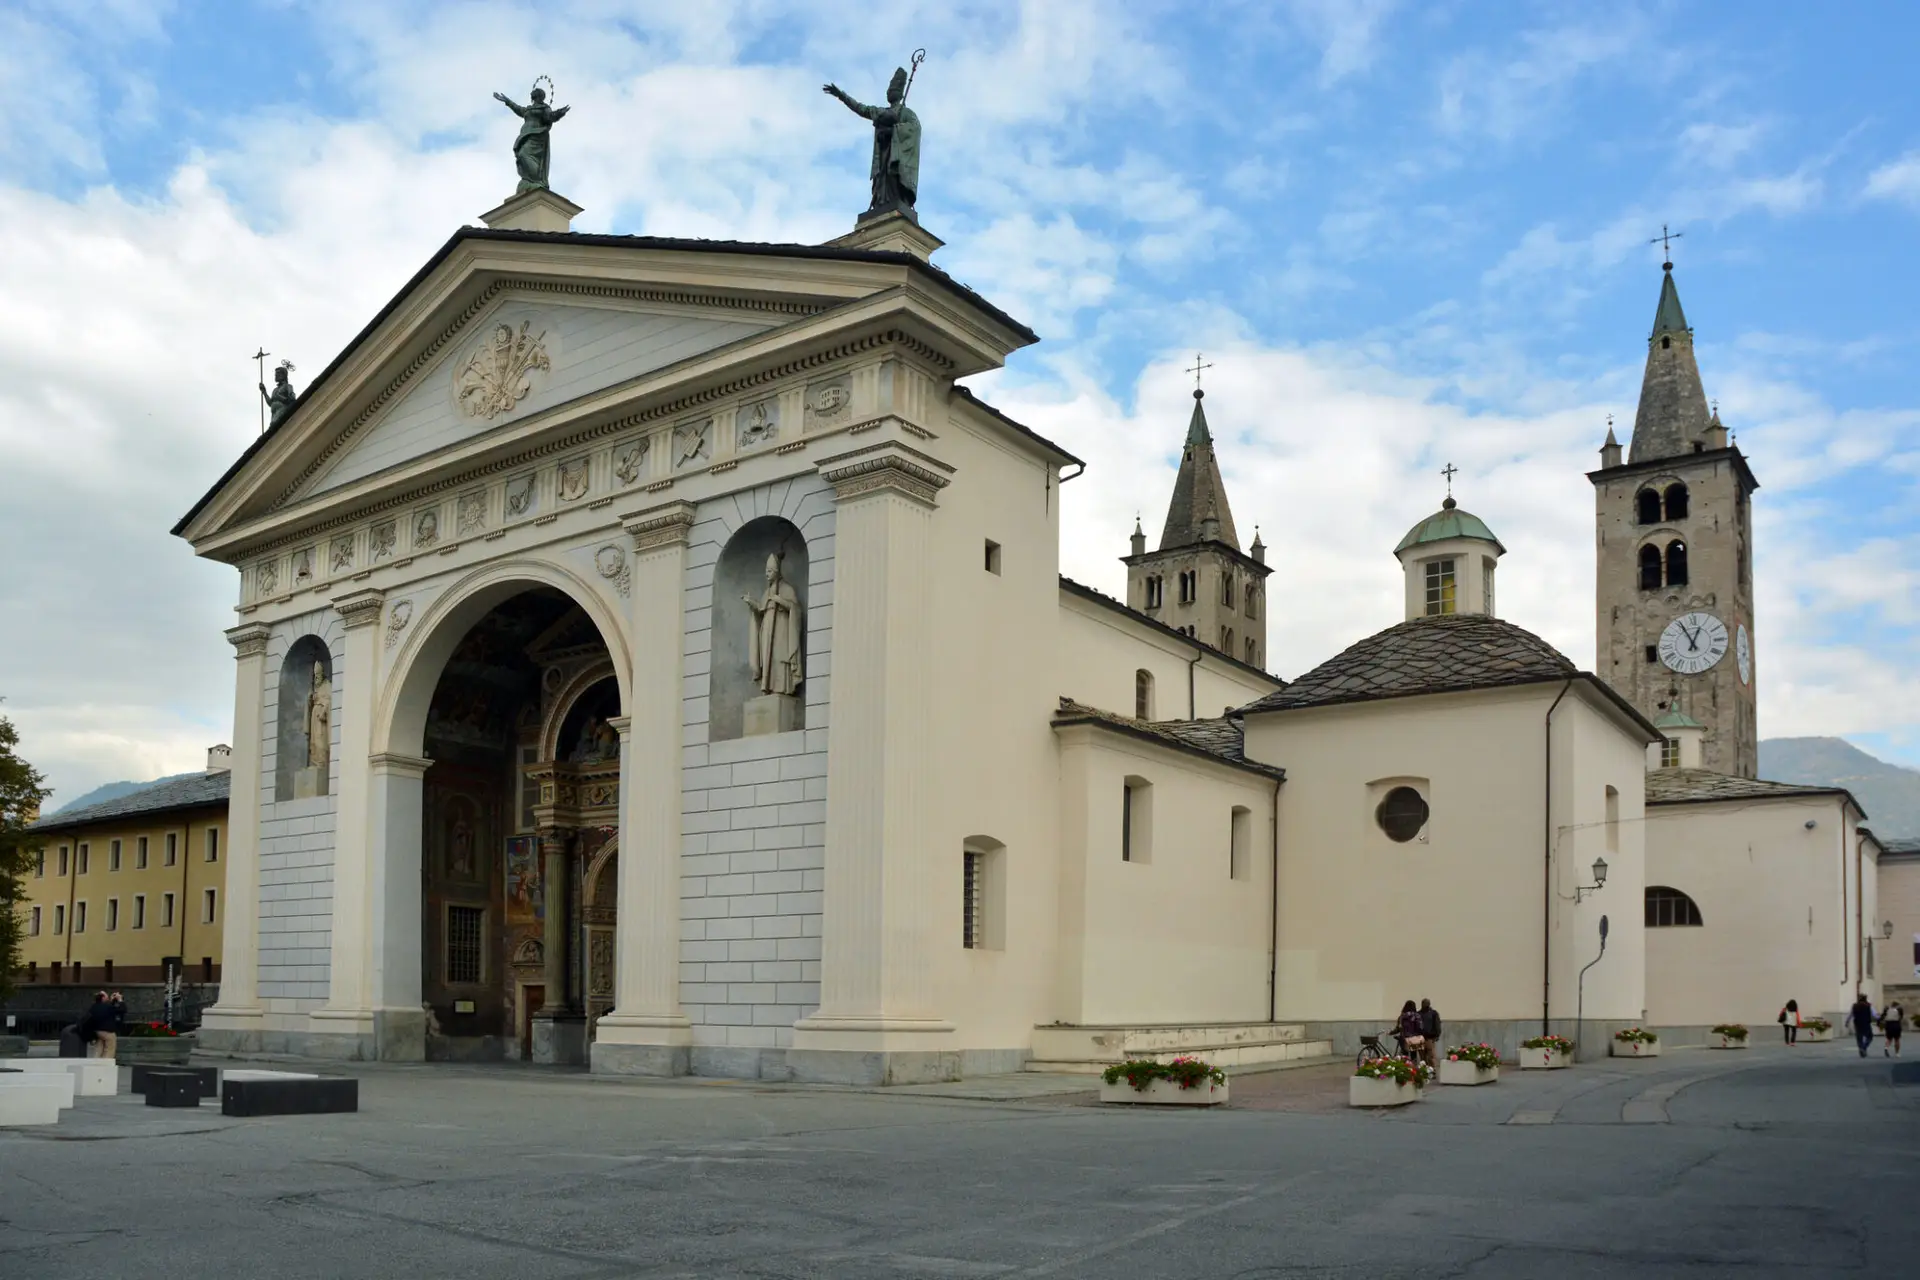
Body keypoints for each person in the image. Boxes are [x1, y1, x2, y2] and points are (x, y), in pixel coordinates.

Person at [77, 990, 113, 1058]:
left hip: (97, 1032)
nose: (107, 997)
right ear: (103, 998)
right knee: (110, 1048)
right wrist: (119, 1000)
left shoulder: (94, 1007)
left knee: (99, 1048)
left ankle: (96, 1061)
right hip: (107, 1031)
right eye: (106, 996)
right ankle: (106, 1063)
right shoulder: (106, 1007)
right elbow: (120, 1009)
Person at [1847, 992, 1877, 1058]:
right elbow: (1874, 1014)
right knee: (1870, 1037)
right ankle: (1864, 1047)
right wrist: (1879, 1019)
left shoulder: (1855, 1005)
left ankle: (1861, 1048)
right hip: (1866, 1023)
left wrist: (1847, 1021)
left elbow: (1851, 1014)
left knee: (1859, 1038)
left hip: (1857, 1023)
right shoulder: (1868, 1005)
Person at [1419, 998, 1442, 1069]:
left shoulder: (1433, 1013)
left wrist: (1437, 1035)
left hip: (1430, 1038)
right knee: (1422, 1056)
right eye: (1424, 1003)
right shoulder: (1418, 1013)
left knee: (1431, 1055)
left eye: (1426, 1003)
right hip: (1420, 1037)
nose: (1425, 1004)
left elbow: (1437, 1024)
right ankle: (1424, 1070)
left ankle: (1433, 1070)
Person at [102, 990, 126, 1060]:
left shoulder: (120, 1005)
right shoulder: (110, 1005)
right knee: (108, 1047)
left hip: (117, 1026)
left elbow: (123, 1009)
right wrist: (111, 1000)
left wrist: (120, 1000)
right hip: (110, 1028)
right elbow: (109, 1008)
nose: (116, 997)